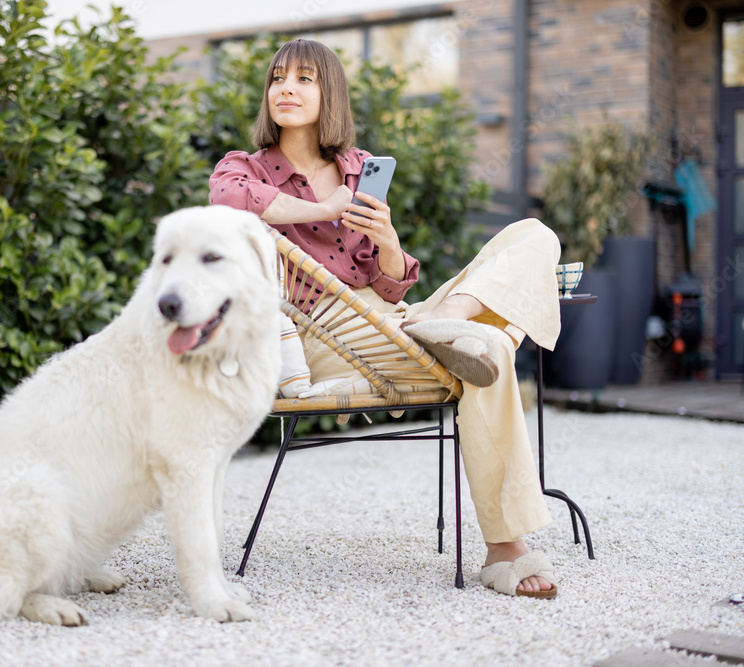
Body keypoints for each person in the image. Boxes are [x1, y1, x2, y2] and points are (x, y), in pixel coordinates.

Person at [209, 38, 562, 598]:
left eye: (304, 79)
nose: (287, 89)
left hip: (394, 316)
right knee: (490, 349)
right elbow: (233, 204)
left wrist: (389, 241)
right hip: (327, 330)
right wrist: (325, 208)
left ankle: (449, 318)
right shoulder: (244, 168)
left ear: (331, 95)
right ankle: (505, 548)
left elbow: (388, 280)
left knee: (534, 237)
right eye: (278, 78)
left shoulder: (357, 169)